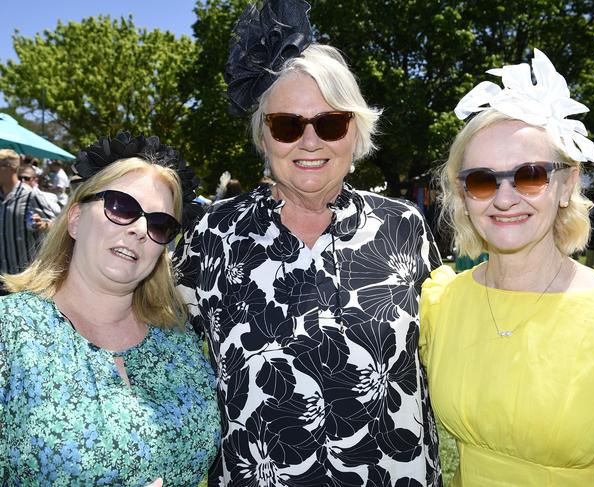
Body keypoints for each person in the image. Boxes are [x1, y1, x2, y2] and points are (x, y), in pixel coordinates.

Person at [173, 1, 443, 485]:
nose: (310, 141)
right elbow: (162, 355)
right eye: (288, 125)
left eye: (330, 123)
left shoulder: (404, 227)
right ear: (264, 135)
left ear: (354, 130)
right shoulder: (211, 236)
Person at [419, 49, 594, 486]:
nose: (505, 198)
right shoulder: (443, 301)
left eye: (529, 175)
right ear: (463, 196)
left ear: (566, 184)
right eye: (483, 180)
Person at [0, 132, 220, 485]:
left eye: (159, 224)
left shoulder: (180, 346)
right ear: (75, 218)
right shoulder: (10, 333)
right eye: (121, 206)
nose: (138, 230)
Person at [0, 149, 58, 292]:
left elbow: (57, 224)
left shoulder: (30, 196)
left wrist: (43, 224)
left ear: (12, 168)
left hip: (23, 279)